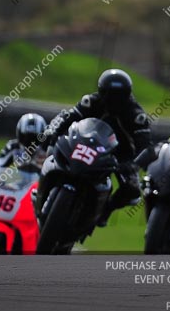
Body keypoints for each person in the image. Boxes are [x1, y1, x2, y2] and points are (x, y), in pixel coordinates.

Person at [42, 68, 152, 226]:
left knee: (132, 190)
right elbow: (68, 117)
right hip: (84, 142)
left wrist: (132, 165)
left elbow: (147, 148)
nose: (113, 101)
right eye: (109, 95)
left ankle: (105, 211)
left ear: (127, 95)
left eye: (119, 97)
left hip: (118, 156)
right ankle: (43, 192)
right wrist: (52, 134)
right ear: (101, 91)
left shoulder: (136, 115)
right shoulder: (91, 101)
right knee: (52, 152)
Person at [0, 113, 47, 199]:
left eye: (33, 138)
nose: (29, 142)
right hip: (19, 188)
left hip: (41, 190)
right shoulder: (13, 147)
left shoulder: (48, 150)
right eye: (26, 137)